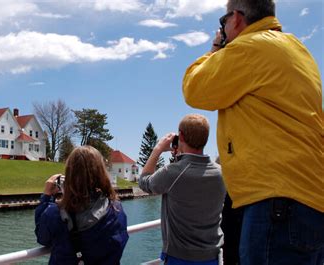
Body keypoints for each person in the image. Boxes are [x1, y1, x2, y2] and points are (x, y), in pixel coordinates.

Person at [182, 0, 324, 264]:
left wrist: (215, 48)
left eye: (223, 22)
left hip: (276, 203)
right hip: (311, 203)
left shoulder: (249, 47)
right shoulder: (298, 49)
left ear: (236, 18)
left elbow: (194, 87)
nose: (223, 29)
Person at [139, 114, 226, 265]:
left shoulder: (173, 172)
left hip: (179, 257)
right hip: (212, 256)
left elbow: (144, 182)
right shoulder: (222, 173)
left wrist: (158, 149)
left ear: (181, 137)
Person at [35, 145, 129, 265]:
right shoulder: (116, 209)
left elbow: (42, 238)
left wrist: (46, 198)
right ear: (101, 173)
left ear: (69, 175)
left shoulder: (55, 213)